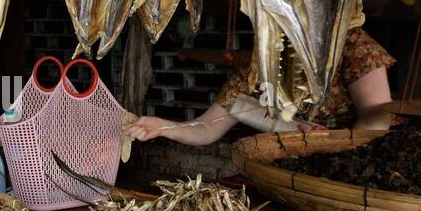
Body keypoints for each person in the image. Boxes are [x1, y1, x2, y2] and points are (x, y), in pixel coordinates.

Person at [128, 28, 396, 145]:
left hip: (358, 165)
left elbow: (378, 116)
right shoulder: (256, 69)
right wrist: (164, 127)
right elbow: (207, 128)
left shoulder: (351, 45)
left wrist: (337, 148)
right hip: (291, 170)